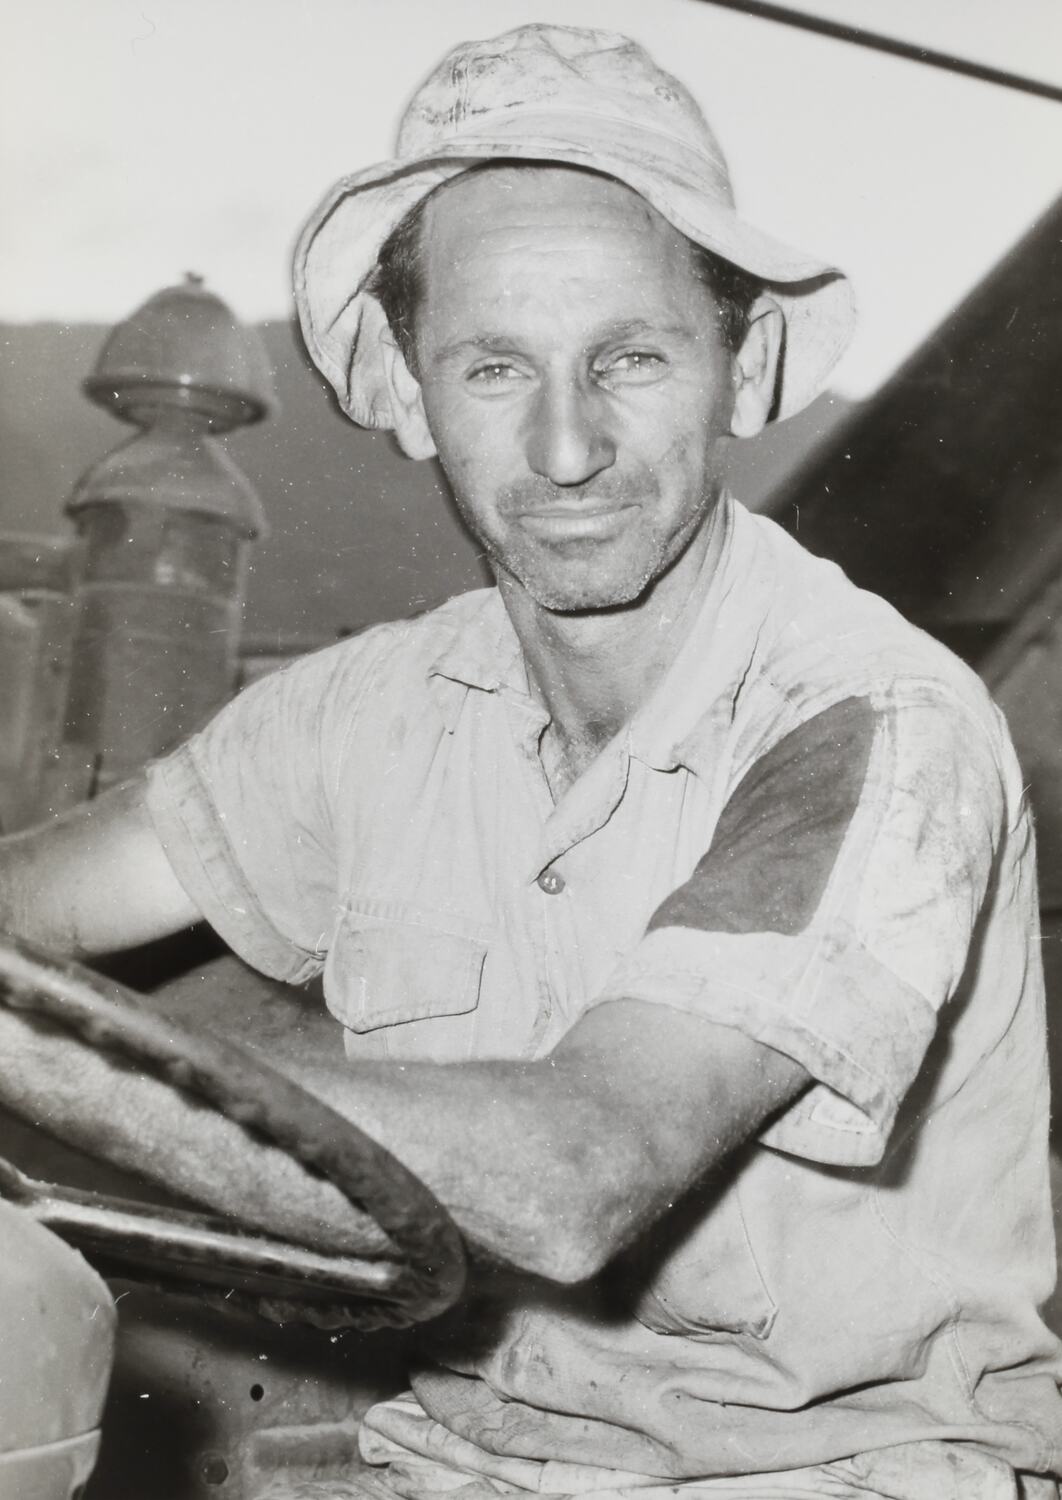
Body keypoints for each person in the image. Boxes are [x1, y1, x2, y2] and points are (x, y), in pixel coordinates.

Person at [0, 22, 1059, 1500]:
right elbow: (33, 908)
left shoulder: (872, 723)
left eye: (629, 357)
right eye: (492, 367)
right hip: (449, 1467)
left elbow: (577, 1176)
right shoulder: (368, 708)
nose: (565, 449)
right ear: (404, 394)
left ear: (741, 367)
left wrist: (48, 1052)